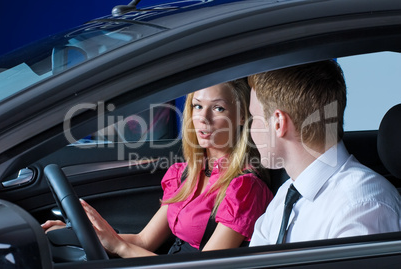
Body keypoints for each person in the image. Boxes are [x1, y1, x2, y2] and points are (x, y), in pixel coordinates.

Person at [42, 79, 273, 257]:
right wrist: (80, 235)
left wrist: (120, 247)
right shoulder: (185, 173)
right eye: (197, 106)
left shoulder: (244, 188)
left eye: (219, 109)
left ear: (242, 116)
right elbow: (144, 241)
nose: (203, 118)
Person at [247, 60, 401, 246]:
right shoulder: (285, 197)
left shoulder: (362, 206)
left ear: (278, 123)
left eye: (254, 118)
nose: (250, 130)